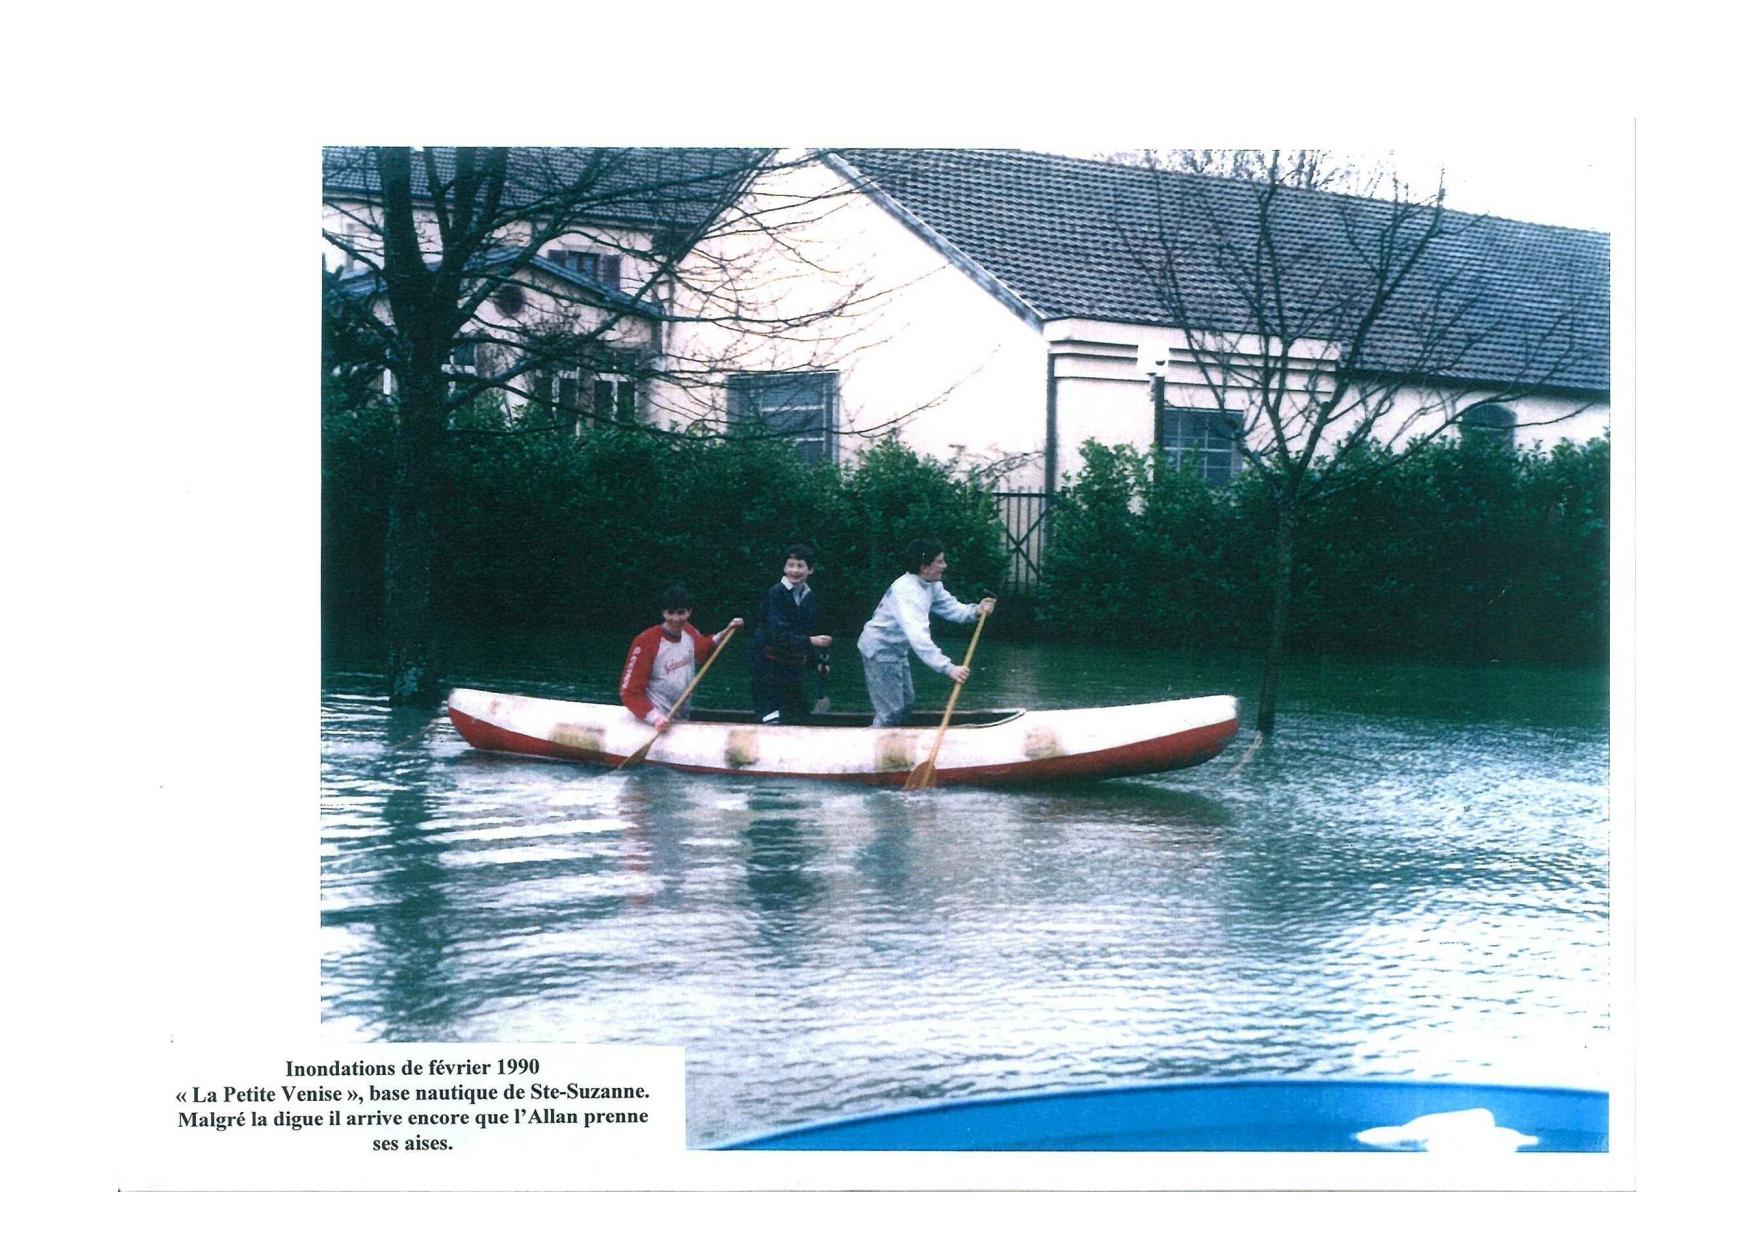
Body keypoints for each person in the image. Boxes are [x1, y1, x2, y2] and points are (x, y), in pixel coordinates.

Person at [857, 539, 996, 727]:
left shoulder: (931, 584)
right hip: (879, 650)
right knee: (891, 713)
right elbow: (919, 638)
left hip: (897, 651)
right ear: (924, 567)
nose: (944, 566)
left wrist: (976, 610)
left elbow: (952, 608)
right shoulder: (907, 591)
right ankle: (874, 746)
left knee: (906, 705)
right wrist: (949, 668)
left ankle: (899, 744)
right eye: (939, 561)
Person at [619, 585, 743, 732]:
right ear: (663, 613)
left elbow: (705, 649)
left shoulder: (689, 632)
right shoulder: (645, 641)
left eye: (681, 613)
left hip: (680, 720)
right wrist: (655, 718)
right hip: (653, 721)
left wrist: (728, 630)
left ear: (689, 612)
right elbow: (628, 692)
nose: (676, 619)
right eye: (670, 613)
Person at [748, 543, 832, 724]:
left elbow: (806, 631)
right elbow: (778, 636)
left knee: (799, 718)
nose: (795, 570)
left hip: (792, 669)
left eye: (800, 565)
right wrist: (811, 641)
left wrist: (817, 662)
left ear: (810, 570)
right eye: (791, 565)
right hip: (768, 669)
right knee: (771, 718)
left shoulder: (809, 597)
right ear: (784, 568)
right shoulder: (776, 594)